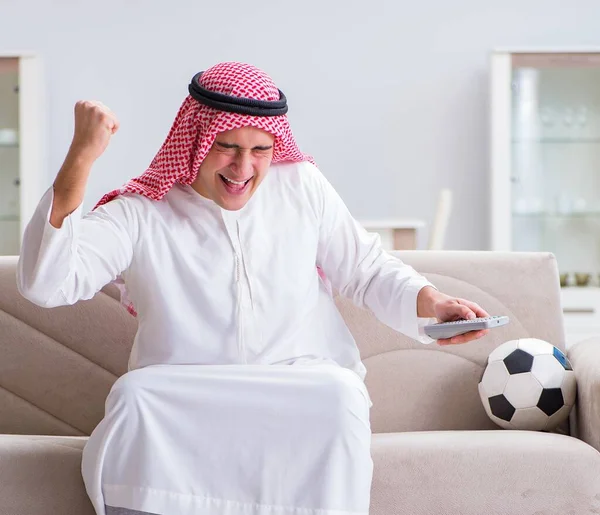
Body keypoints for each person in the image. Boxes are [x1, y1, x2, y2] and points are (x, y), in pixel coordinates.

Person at [16, 62, 489, 515]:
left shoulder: (301, 185)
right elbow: (46, 282)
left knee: (339, 393)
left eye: (260, 150)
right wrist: (81, 155)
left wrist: (431, 301)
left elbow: (365, 268)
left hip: (298, 383)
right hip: (187, 391)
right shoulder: (143, 211)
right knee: (136, 397)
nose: (244, 167)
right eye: (227, 147)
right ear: (198, 141)